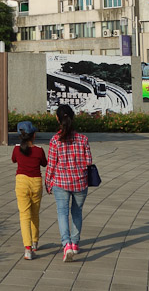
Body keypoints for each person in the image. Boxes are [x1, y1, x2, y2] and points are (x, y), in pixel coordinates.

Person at [45, 103, 93, 262]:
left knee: (62, 213)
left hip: (61, 182)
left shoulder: (55, 140)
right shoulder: (83, 139)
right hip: (80, 183)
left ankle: (66, 245)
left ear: (58, 119)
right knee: (77, 212)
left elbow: (51, 164)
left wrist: (48, 182)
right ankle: (75, 244)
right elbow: (89, 162)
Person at [12, 120, 47, 260]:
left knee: (24, 215)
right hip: (36, 183)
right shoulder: (39, 150)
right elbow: (44, 163)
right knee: (35, 213)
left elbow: (14, 160)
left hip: (21, 182)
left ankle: (27, 249)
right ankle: (34, 242)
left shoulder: (16, 149)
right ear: (33, 135)